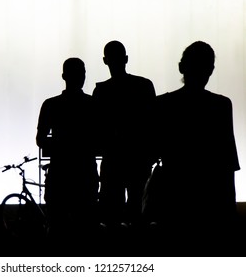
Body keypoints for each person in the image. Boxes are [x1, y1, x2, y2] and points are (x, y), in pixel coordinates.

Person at [154, 41, 240, 251]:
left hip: (175, 199)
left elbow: (153, 151)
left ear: (182, 67)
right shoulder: (221, 106)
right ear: (210, 70)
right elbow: (227, 164)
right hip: (211, 200)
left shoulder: (163, 105)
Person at [36, 58, 99, 250]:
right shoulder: (92, 104)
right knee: (85, 228)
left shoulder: (51, 105)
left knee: (57, 228)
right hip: (84, 171)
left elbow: (40, 139)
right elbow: (100, 138)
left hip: (60, 172)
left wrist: (59, 144)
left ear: (64, 76)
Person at [92, 40, 156, 230]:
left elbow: (96, 128)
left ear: (105, 61)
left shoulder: (101, 92)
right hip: (138, 158)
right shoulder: (144, 86)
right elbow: (153, 123)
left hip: (113, 159)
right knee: (138, 211)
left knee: (112, 213)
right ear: (126, 59)